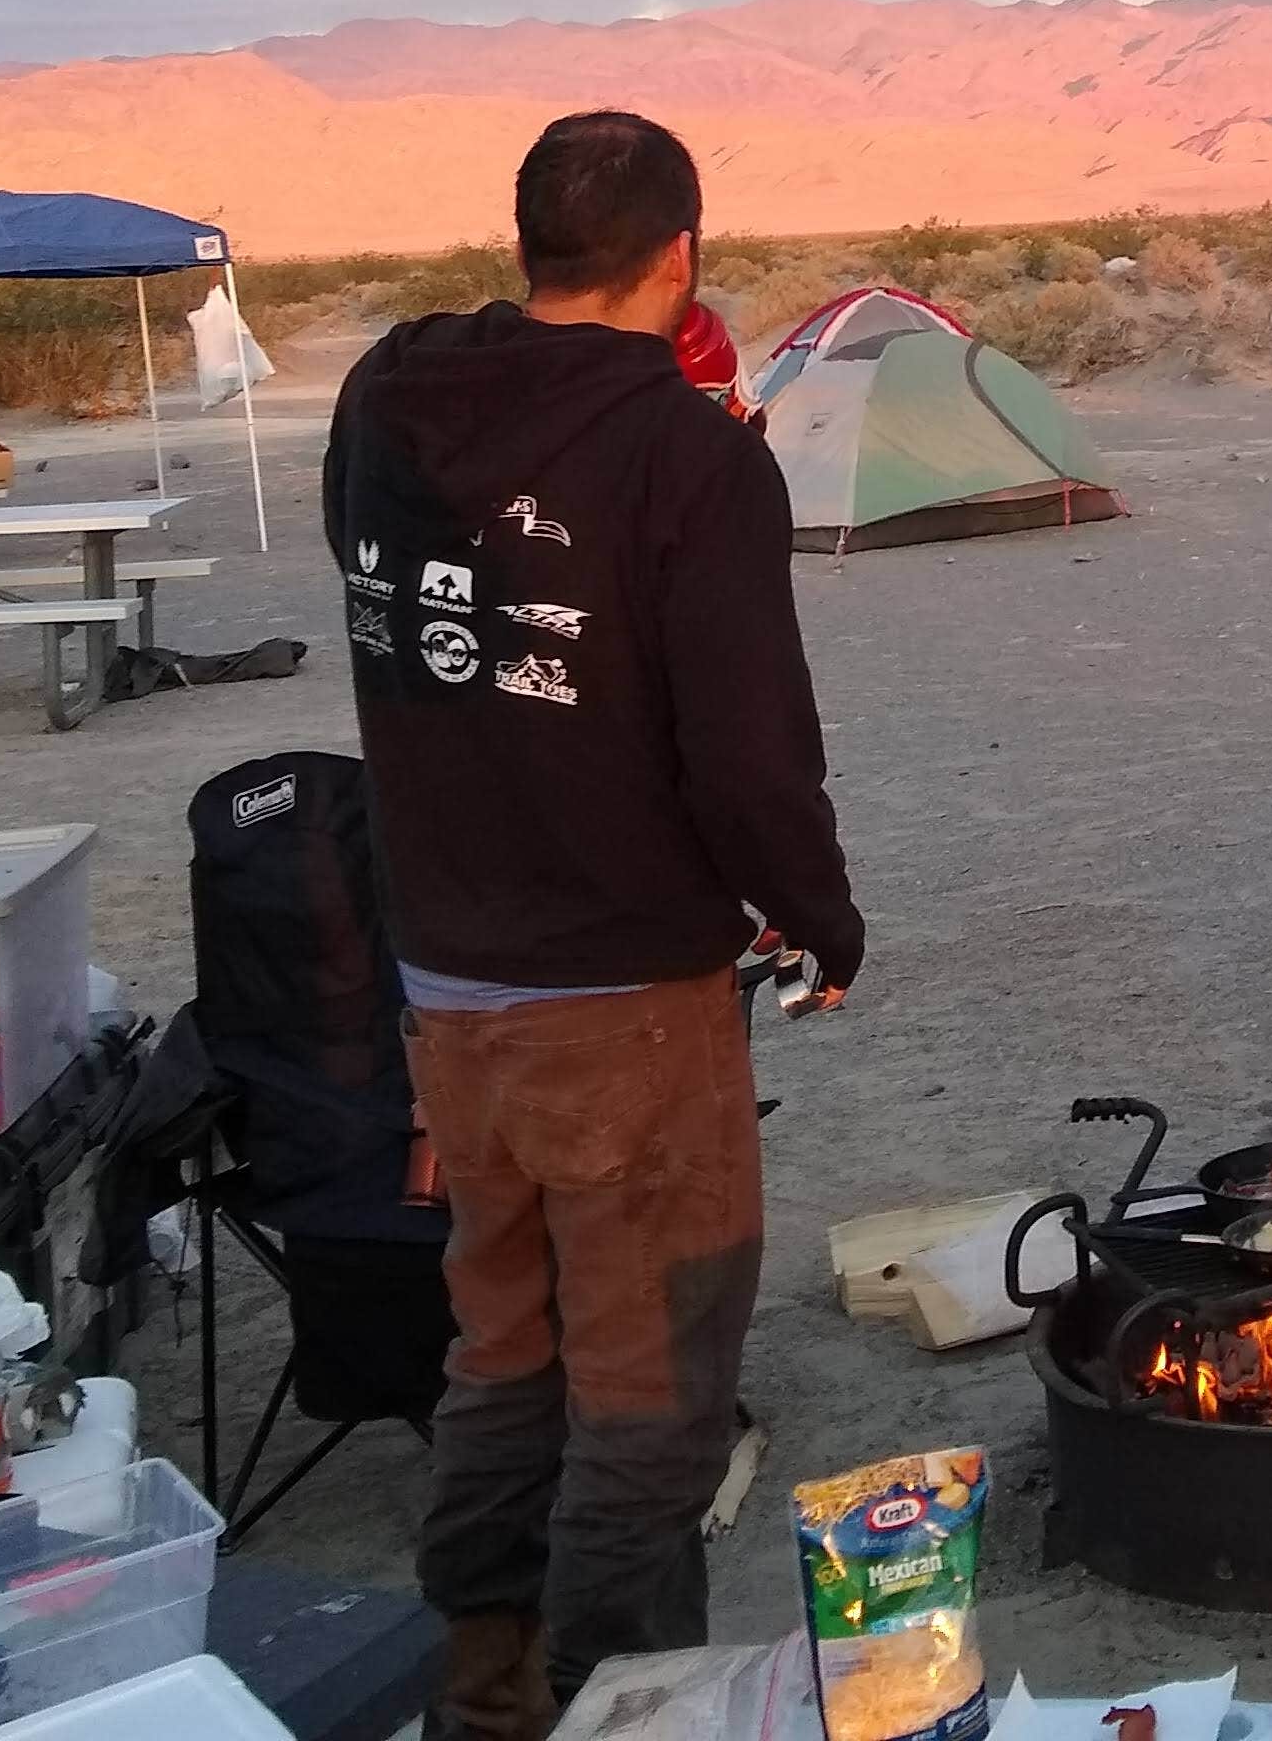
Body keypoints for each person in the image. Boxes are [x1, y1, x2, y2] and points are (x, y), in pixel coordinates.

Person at [323, 109, 865, 1741]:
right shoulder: (690, 458)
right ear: (682, 254)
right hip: (623, 988)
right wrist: (821, 918)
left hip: (449, 988)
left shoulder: (380, 399)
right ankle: (619, 1707)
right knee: (648, 1383)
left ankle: (482, 1694)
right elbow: (749, 756)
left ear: (528, 244)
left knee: (504, 1342)